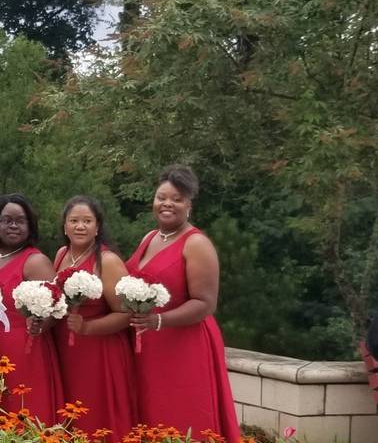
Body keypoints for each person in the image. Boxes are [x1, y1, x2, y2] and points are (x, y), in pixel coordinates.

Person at [125, 165, 241, 442]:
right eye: (161, 197)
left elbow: (205, 303)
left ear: (189, 204)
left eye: (177, 199)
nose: (167, 203)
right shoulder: (149, 238)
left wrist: (159, 320)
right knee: (151, 418)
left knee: (182, 417)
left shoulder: (196, 243)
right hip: (148, 346)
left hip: (184, 345)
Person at [52, 195, 137, 442]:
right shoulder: (60, 255)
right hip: (67, 353)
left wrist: (88, 327)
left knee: (97, 417)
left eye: (87, 221)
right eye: (74, 220)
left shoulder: (108, 261)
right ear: (65, 226)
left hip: (100, 354)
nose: (80, 226)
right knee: (71, 417)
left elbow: (126, 313)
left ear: (97, 227)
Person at [0, 193, 64, 425]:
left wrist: (40, 325)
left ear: (30, 225)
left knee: (24, 407)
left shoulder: (35, 261)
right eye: (6, 220)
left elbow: (57, 308)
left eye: (20, 220)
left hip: (24, 347)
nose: (13, 225)